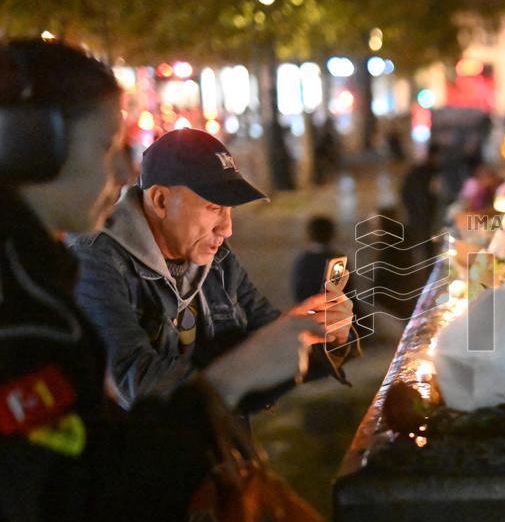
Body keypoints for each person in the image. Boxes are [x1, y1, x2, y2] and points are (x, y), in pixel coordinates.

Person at [0, 39, 347, 522]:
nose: (121, 171)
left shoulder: (37, 274)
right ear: (31, 146)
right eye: (107, 147)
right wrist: (220, 388)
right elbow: (65, 514)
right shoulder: (21, 309)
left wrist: (302, 340)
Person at [71, 129, 345, 410]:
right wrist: (243, 367)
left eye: (229, 211)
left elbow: (266, 329)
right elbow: (134, 381)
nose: (226, 229)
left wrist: (315, 331)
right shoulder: (95, 262)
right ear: (160, 201)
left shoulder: (218, 260)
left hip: (218, 445)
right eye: (214, 208)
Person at [290, 215, 345, 303]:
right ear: (332, 234)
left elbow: (299, 292)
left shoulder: (303, 261)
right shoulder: (338, 259)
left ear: (308, 235)